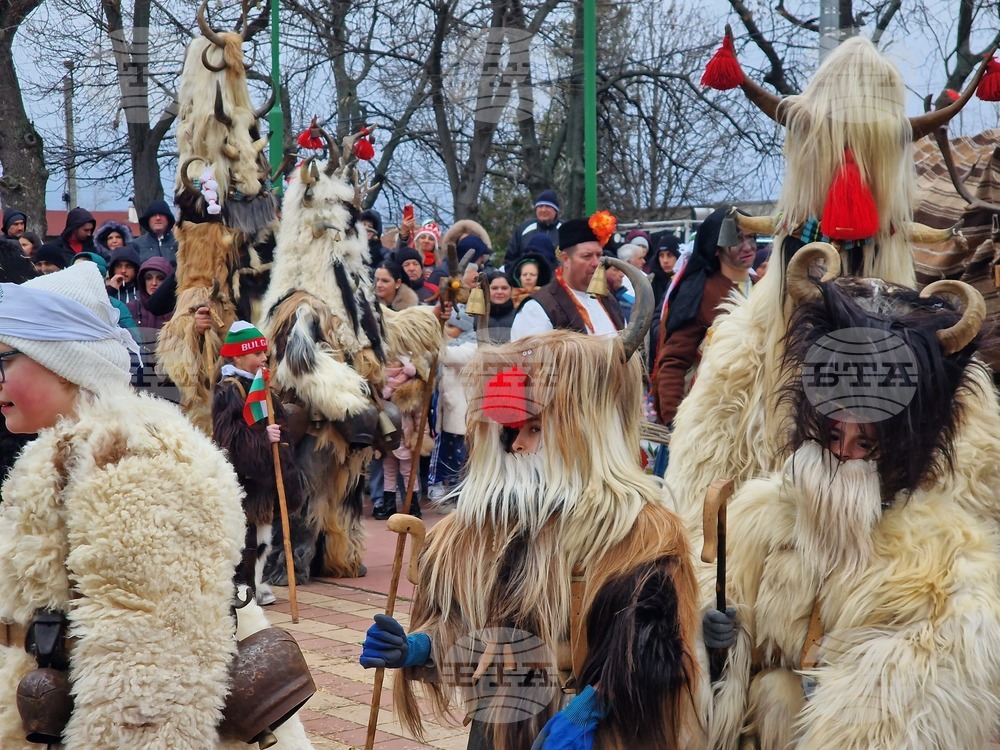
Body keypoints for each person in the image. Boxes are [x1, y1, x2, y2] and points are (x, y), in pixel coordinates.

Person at [360, 289, 707, 750]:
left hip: (598, 732)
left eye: (537, 428)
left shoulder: (641, 533)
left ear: (583, 431)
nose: (519, 446)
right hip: (500, 724)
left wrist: (592, 707)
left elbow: (656, 647)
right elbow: (466, 628)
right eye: (511, 432)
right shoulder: (474, 533)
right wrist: (418, 647)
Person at [703, 269, 1000, 749]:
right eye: (832, 437)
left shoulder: (946, 552)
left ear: (898, 451)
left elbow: (941, 668)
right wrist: (718, 639)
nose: (843, 455)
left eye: (864, 443)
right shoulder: (759, 515)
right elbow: (725, 609)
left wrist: (864, 695)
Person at [0, 262, 250, 747]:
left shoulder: (135, 460)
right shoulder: (64, 450)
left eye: (5, 359)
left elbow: (149, 669)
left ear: (66, 364)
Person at [212, 321, 304, 606]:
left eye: (264, 353)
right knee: (246, 537)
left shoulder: (260, 386)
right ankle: (243, 588)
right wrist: (263, 439)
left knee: (264, 534)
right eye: (257, 354)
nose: (264, 359)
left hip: (264, 478)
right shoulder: (231, 390)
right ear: (238, 357)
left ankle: (258, 583)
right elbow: (230, 439)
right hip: (246, 479)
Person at [653, 207, 755, 429]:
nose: (748, 246)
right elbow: (674, 361)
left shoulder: (762, 288)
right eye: (737, 239)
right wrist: (674, 420)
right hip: (709, 420)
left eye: (751, 237)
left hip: (754, 417)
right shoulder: (699, 292)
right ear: (716, 249)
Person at [511, 217, 625, 340]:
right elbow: (529, 357)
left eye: (599, 255)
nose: (596, 263)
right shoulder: (536, 309)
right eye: (587, 256)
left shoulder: (608, 300)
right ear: (565, 259)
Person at [505, 189, 562, 269]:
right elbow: (510, 258)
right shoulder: (524, 229)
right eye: (540, 206)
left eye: (548, 206)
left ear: (555, 210)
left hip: (557, 278)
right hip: (528, 278)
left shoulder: (565, 229)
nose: (543, 210)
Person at [131, 199, 178, 266]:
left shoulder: (180, 243)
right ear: (148, 220)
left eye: (162, 214)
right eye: (153, 215)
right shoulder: (136, 245)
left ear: (168, 219)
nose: (158, 218)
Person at [476, 270, 517, 343]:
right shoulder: (476, 315)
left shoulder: (519, 315)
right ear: (486, 290)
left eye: (504, 288)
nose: (499, 292)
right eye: (494, 288)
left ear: (511, 290)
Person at [510, 245, 553, 309]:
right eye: (524, 275)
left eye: (532, 275)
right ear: (518, 277)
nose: (528, 278)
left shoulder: (548, 300)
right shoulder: (508, 299)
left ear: (539, 277)